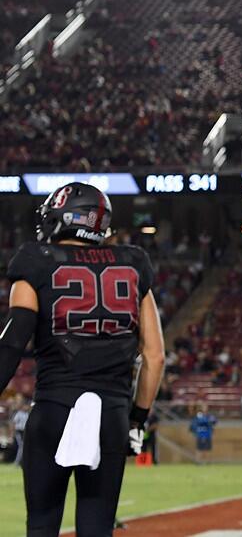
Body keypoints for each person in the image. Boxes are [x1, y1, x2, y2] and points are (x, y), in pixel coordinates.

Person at [0, 183, 165, 536]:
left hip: (55, 407)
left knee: (42, 525)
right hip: (113, 414)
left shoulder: (35, 262)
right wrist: (137, 419)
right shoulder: (133, 263)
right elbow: (155, 356)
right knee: (97, 526)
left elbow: (12, 344)